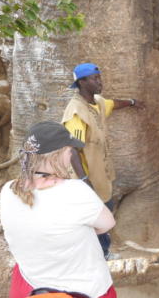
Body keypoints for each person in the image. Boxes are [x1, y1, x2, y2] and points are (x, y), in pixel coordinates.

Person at [0, 121, 117, 298]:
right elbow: (107, 224)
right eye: (70, 150)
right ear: (56, 156)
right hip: (82, 290)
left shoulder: (8, 190)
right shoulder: (76, 191)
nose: (72, 155)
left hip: (30, 287)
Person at [61, 62, 143, 258]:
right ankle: (94, 256)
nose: (100, 82)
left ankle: (103, 252)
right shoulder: (76, 112)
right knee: (93, 219)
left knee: (105, 213)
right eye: (95, 79)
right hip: (87, 178)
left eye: (100, 77)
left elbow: (112, 104)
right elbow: (71, 150)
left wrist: (131, 102)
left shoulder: (97, 102)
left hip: (101, 175)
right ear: (81, 82)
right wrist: (83, 182)